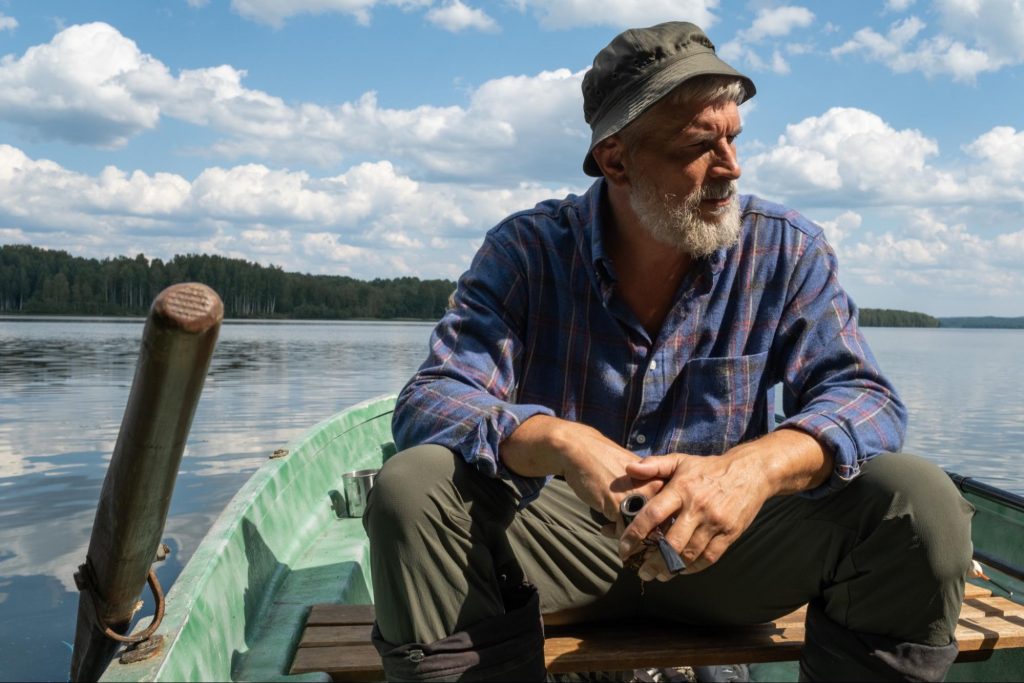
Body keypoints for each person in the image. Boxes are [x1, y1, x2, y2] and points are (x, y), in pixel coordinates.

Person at [364, 21, 974, 682]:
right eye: (700, 145)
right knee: (412, 486)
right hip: (566, 553)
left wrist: (753, 469)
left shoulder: (785, 249)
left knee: (917, 499)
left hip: (725, 551)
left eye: (734, 139)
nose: (731, 167)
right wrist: (560, 441)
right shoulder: (528, 251)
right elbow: (431, 398)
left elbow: (865, 397)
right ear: (616, 159)